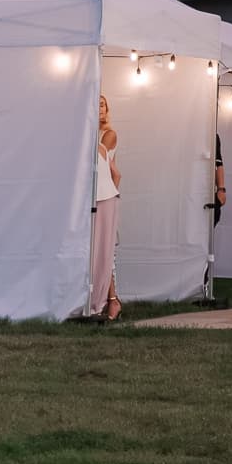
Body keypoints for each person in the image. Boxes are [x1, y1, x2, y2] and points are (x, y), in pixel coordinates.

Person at [89, 94, 122, 321]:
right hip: (93, 196)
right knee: (95, 249)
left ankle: (110, 299)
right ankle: (110, 299)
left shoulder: (108, 135)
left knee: (104, 249)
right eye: (96, 104)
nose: (100, 108)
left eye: (102, 105)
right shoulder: (87, 133)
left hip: (104, 196)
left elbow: (100, 153)